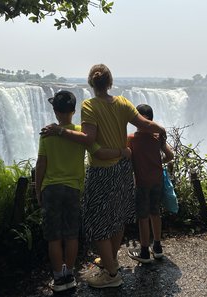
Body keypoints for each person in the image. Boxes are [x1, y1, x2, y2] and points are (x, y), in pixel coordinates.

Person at [40, 64, 166, 288]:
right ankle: (112, 262)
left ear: (91, 83)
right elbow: (145, 124)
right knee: (116, 219)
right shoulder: (123, 102)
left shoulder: (90, 106)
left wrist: (59, 131)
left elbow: (88, 139)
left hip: (102, 171)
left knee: (96, 224)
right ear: (110, 82)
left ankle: (112, 274)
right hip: (123, 170)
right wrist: (161, 130)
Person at [35, 90, 130, 292]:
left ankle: (59, 279)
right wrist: (123, 152)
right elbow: (98, 152)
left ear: (55, 111)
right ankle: (70, 273)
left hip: (51, 189)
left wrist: (38, 189)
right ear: (73, 110)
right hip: (73, 189)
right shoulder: (80, 134)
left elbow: (41, 163)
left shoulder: (47, 134)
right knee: (71, 235)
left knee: (53, 237)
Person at [127, 104, 174, 263]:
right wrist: (158, 162)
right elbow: (170, 155)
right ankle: (158, 247)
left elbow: (127, 159)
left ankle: (144, 252)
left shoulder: (132, 139)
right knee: (155, 212)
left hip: (141, 182)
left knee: (142, 217)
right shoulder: (157, 137)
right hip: (157, 180)